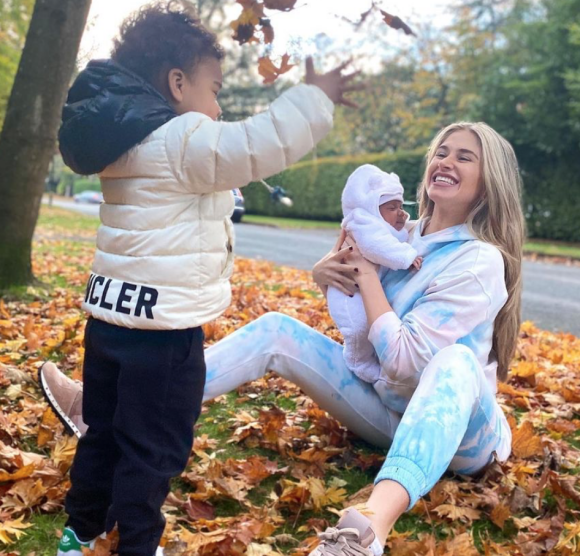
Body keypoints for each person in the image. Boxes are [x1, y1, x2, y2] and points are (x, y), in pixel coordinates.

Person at [42, 121, 525, 555]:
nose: (446, 161)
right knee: (276, 328)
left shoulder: (478, 260)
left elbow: (403, 360)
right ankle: (101, 412)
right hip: (387, 408)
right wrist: (328, 275)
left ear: (489, 184)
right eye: (442, 151)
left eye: (465, 156)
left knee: (455, 362)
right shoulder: (400, 231)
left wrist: (368, 276)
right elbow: (364, 332)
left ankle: (367, 530)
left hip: (461, 438)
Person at [45, 0, 364, 556]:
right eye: (214, 89)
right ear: (176, 84)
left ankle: (81, 533)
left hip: (110, 320)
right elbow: (255, 145)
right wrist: (315, 98)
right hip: (164, 335)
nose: (217, 106)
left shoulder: (122, 144)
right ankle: (138, 545)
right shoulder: (182, 138)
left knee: (104, 435)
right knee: (154, 448)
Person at [327, 164, 422, 383]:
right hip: (348, 293)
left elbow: (392, 235)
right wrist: (406, 256)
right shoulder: (363, 223)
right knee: (359, 329)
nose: (401, 212)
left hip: (359, 288)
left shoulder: (376, 222)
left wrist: (399, 220)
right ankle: (357, 362)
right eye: (392, 207)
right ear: (372, 207)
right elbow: (375, 246)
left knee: (368, 328)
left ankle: (364, 360)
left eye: (401, 205)